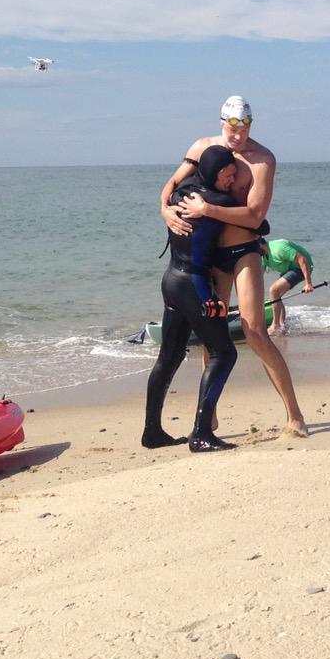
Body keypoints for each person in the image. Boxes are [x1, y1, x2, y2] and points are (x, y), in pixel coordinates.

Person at [160, 95, 309, 437]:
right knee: (212, 338)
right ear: (221, 122)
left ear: (251, 127)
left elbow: (256, 214)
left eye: (244, 129)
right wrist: (165, 211)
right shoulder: (202, 148)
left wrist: (207, 211)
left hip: (243, 250)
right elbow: (169, 186)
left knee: (255, 331)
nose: (237, 136)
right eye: (231, 128)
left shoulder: (263, 160)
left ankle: (294, 415)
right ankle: (207, 420)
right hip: (210, 255)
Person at [144, 146, 241, 453]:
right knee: (224, 354)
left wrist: (164, 206)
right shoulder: (219, 201)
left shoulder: (179, 195)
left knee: (169, 357)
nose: (232, 180)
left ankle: (152, 432)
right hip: (194, 284)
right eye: (228, 175)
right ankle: (201, 433)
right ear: (214, 173)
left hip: (171, 279)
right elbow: (257, 223)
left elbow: (171, 187)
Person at [260, 239, 314, 335]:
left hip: (302, 267)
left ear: (260, 244)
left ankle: (275, 325)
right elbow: (259, 278)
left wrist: (308, 283)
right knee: (275, 294)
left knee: (273, 290)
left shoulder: (278, 248)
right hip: (290, 269)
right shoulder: (263, 256)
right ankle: (282, 326)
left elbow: (302, 259)